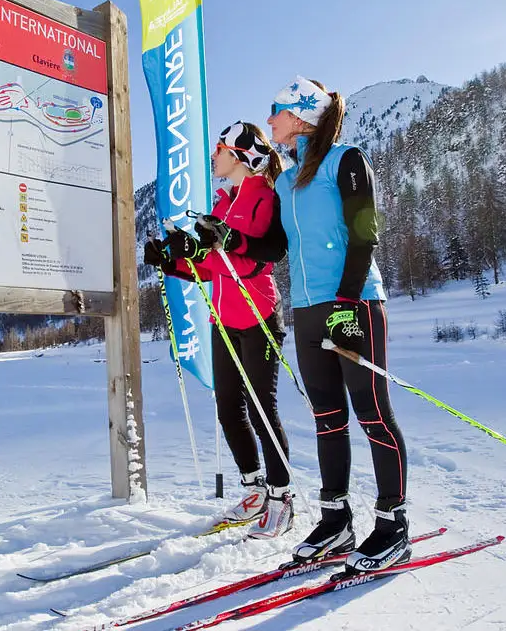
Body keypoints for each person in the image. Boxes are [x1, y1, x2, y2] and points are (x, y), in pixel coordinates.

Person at [264, 76, 411, 572]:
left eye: (276, 111)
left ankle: (393, 526)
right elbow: (278, 248)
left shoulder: (345, 160)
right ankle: (335, 521)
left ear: (302, 113)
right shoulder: (287, 179)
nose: (270, 122)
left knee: (372, 413)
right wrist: (218, 242)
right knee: (327, 417)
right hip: (305, 311)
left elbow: (365, 232)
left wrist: (347, 303)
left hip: (355, 303)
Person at [143, 121, 293, 539]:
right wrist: (172, 261)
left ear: (241, 156)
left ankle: (282, 499)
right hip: (222, 319)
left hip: (258, 313)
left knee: (264, 410)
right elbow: (211, 268)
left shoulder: (266, 197)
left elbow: (255, 262)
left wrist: (226, 243)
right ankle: (253, 490)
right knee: (229, 409)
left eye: (221, 149)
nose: (214, 156)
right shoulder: (222, 201)